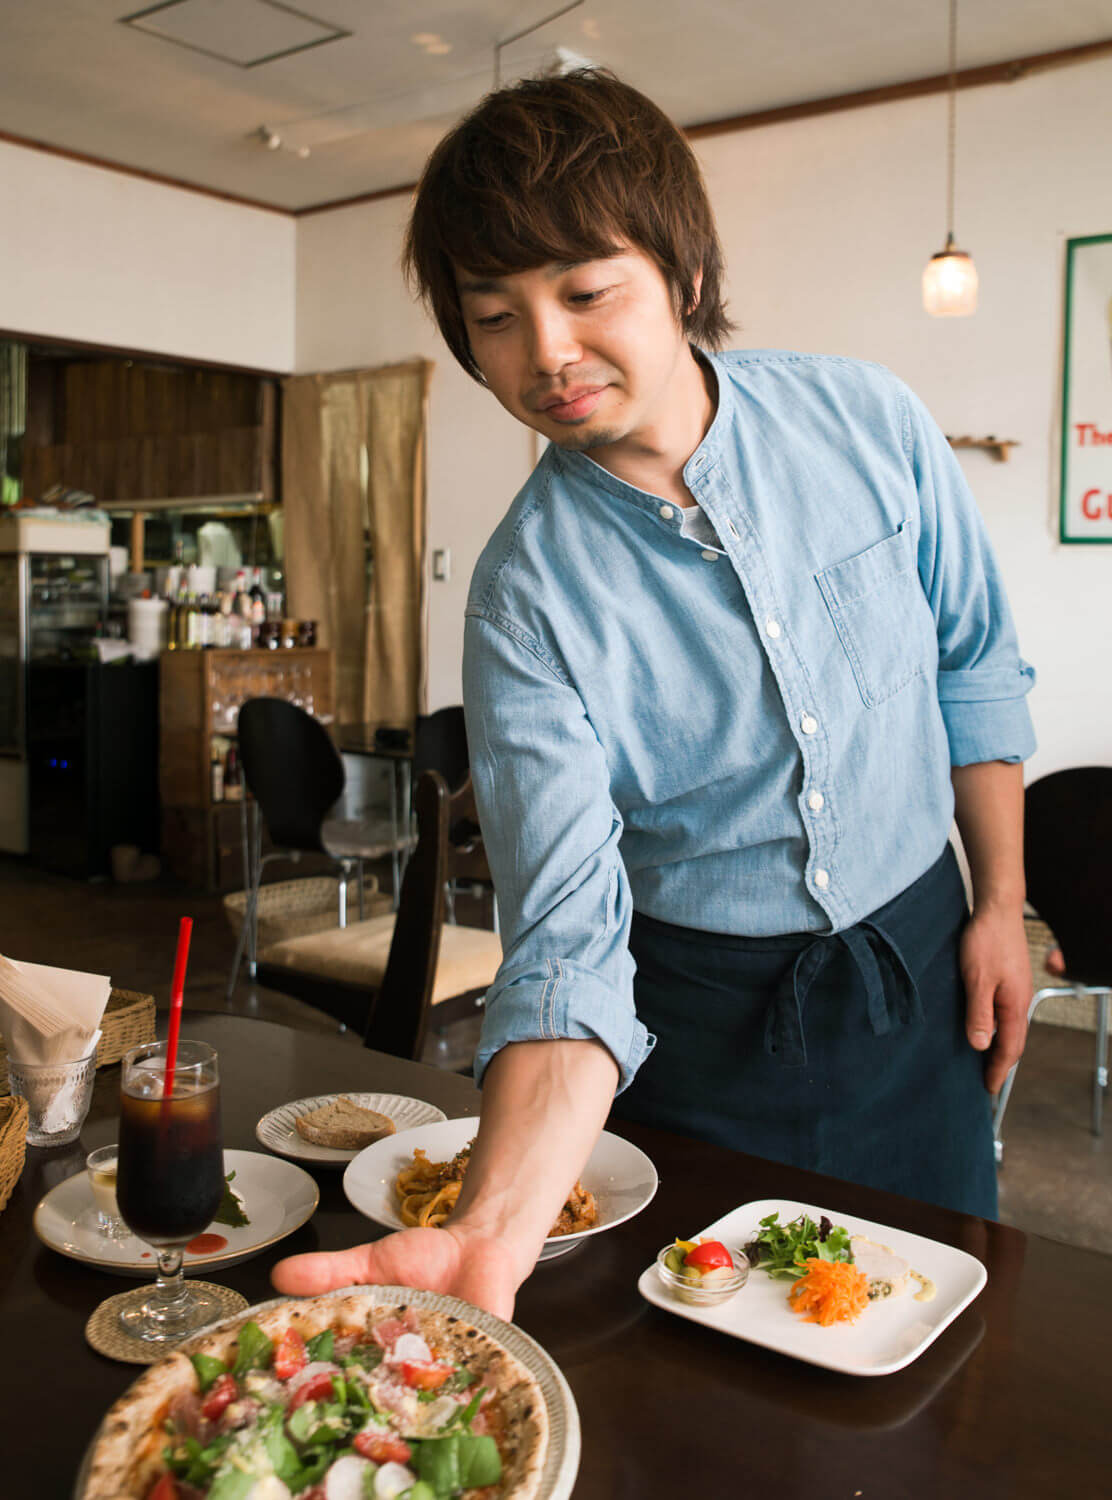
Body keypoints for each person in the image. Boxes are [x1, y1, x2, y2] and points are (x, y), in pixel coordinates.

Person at [273, 69, 1036, 1319]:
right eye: (494, 315)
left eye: (584, 292)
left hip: (918, 967)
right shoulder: (526, 596)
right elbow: (567, 936)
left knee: (936, 1313)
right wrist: (495, 1225)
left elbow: (973, 662)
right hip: (700, 1024)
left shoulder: (867, 420)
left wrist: (998, 900)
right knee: (712, 1360)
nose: (547, 353)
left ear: (680, 274)